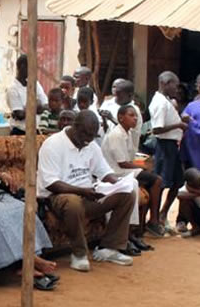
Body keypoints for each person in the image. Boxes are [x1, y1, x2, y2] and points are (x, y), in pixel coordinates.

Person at [38, 110, 135, 272]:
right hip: (58, 196)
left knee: (128, 194)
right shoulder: (53, 144)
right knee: (73, 202)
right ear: (75, 127)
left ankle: (109, 248)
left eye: (92, 137)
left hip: (89, 194)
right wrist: (83, 191)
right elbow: (51, 183)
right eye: (86, 135)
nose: (88, 140)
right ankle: (79, 254)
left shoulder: (90, 144)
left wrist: (119, 184)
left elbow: (105, 172)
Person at [101, 105, 165, 237]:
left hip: (125, 169)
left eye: (136, 115)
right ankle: (153, 221)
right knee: (156, 180)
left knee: (152, 181)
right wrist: (142, 167)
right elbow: (122, 163)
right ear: (120, 117)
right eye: (131, 115)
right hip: (116, 172)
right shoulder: (116, 135)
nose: (135, 118)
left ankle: (141, 227)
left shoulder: (128, 133)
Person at [149, 71, 187, 234]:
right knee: (161, 184)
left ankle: (163, 214)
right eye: (174, 85)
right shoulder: (160, 103)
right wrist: (178, 125)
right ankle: (154, 220)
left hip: (172, 146)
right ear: (165, 83)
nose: (177, 89)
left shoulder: (166, 101)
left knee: (178, 181)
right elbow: (157, 129)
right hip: (164, 146)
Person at [6, 54, 48, 135]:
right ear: (22, 67)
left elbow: (47, 106)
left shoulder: (35, 84)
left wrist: (28, 108)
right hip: (20, 132)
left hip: (36, 131)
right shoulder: (12, 89)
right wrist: (36, 105)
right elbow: (20, 115)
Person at [99, 80, 142, 152]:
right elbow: (107, 130)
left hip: (125, 150)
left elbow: (128, 131)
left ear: (130, 95)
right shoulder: (110, 104)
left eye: (120, 96)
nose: (116, 98)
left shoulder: (134, 111)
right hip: (109, 148)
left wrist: (112, 118)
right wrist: (104, 118)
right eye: (116, 95)